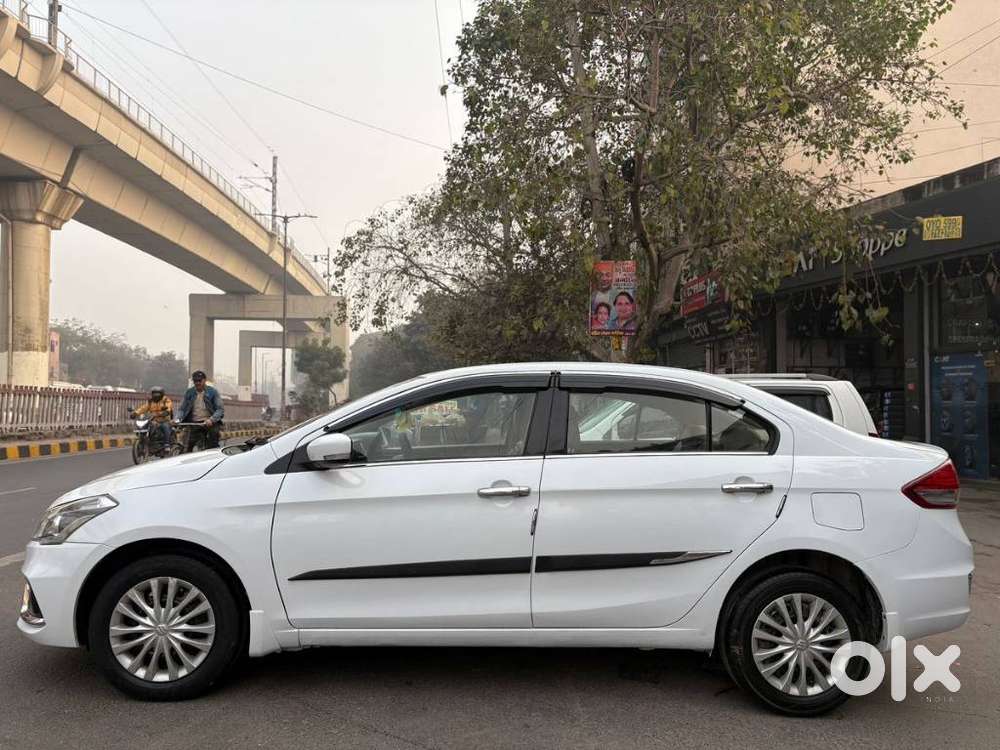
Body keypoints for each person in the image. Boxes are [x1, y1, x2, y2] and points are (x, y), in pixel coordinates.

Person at [177, 370, 224, 451]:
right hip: (194, 423)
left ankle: (213, 455)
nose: (197, 383)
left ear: (204, 380)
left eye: (199, 380)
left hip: (210, 423)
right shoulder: (189, 392)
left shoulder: (212, 392)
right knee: (187, 446)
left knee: (213, 440)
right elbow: (182, 409)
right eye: (195, 381)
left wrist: (211, 420)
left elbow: (220, 409)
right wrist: (177, 419)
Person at [132, 387, 173, 456]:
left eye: (157, 394)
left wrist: (166, 412)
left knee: (165, 427)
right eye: (154, 393)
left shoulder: (166, 400)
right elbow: (143, 408)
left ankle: (167, 444)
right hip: (153, 420)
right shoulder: (151, 401)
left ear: (161, 394)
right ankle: (145, 441)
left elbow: (168, 407)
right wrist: (135, 413)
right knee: (145, 426)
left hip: (164, 420)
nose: (156, 395)